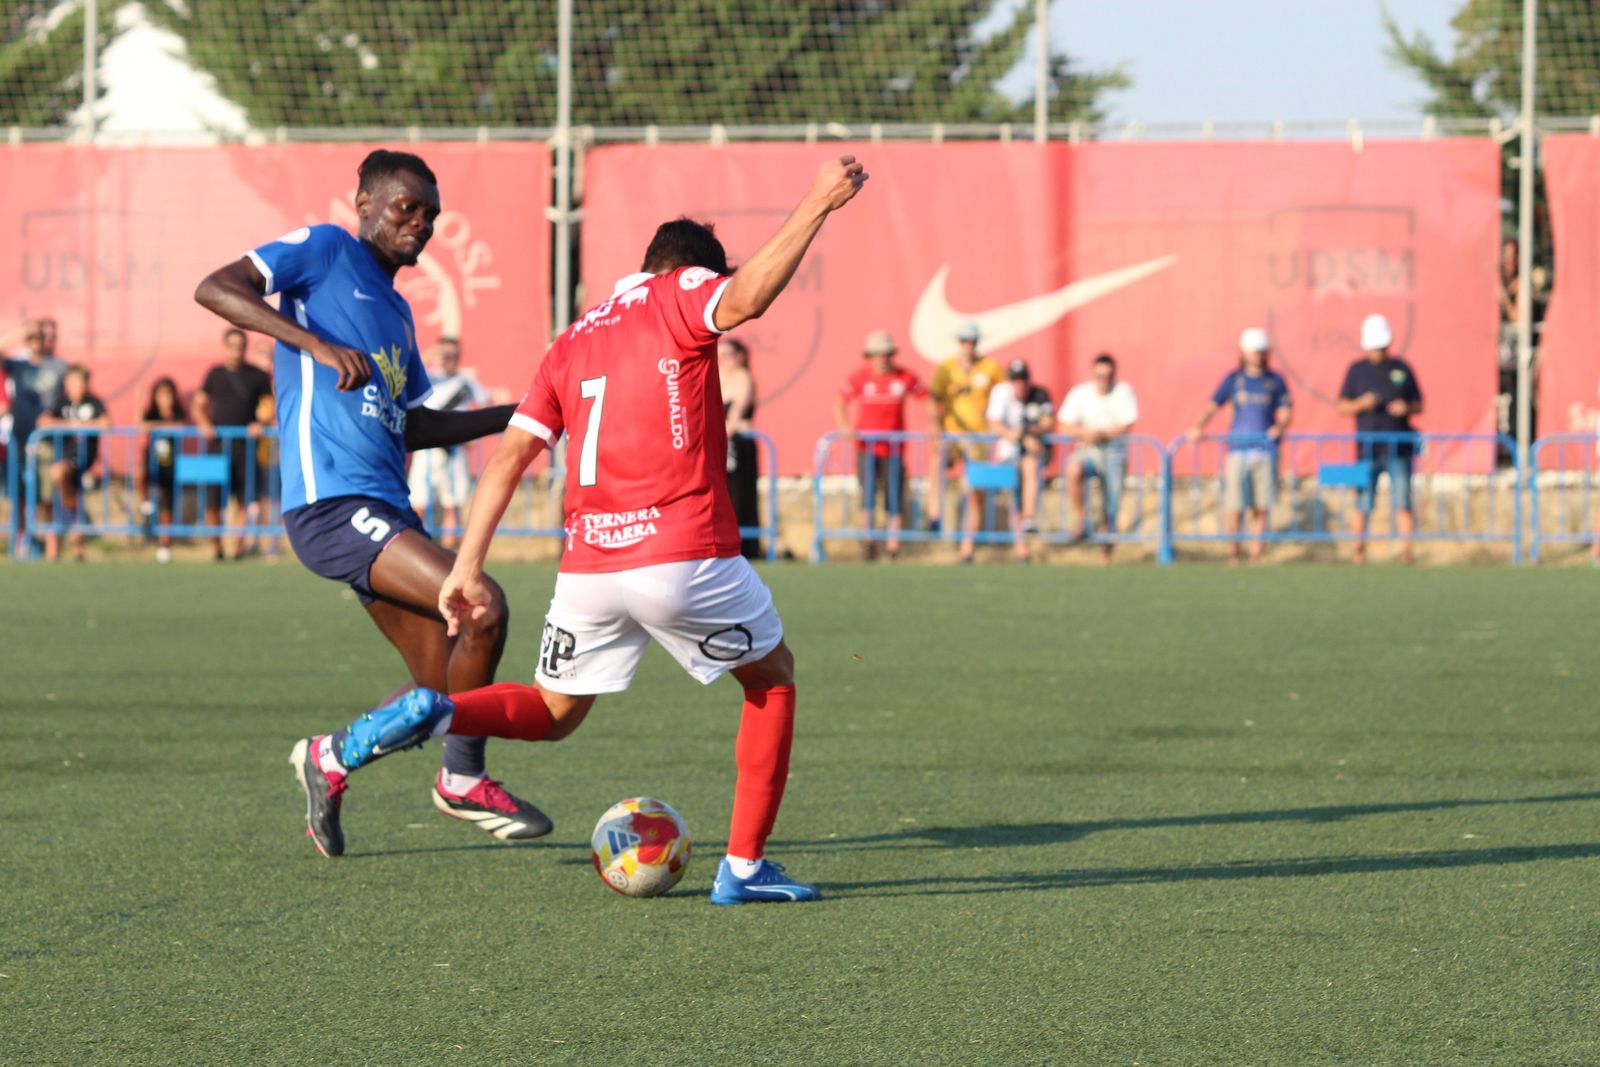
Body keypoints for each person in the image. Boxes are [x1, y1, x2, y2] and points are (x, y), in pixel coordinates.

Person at [291, 156, 869, 904]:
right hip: (681, 554)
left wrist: (467, 566)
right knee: (772, 681)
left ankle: (436, 708)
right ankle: (746, 868)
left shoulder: (573, 338)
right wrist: (819, 200)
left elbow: (508, 458)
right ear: (689, 271)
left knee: (554, 711)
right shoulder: (683, 288)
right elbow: (749, 294)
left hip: (590, 569)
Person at [194, 148, 546, 855]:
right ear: (363, 204)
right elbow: (215, 288)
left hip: (386, 509)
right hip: (331, 503)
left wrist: (520, 414)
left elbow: (415, 422)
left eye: (430, 215)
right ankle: (463, 780)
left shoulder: (395, 311)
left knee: (441, 686)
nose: (419, 223)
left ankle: (331, 758)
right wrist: (314, 345)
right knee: (480, 601)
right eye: (405, 208)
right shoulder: (324, 250)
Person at [1186, 327, 1293, 565]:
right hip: (1237, 451)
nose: (1256, 356)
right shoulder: (1234, 379)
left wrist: (1280, 427)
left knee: (1260, 506)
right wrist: (1198, 427)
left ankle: (1255, 554)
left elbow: (1286, 411)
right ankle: (1233, 553)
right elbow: (1212, 406)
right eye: (1252, 352)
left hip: (1265, 451)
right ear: (1243, 353)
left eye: (1260, 352)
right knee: (1234, 505)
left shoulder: (1275, 381)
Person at [834, 329, 930, 560]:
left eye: (887, 354)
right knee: (867, 494)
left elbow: (926, 397)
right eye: (878, 355)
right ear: (869, 357)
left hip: (894, 449)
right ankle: (869, 540)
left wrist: (934, 424)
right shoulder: (860, 377)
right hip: (866, 448)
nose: (883, 359)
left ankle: (893, 543)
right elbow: (840, 400)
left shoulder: (904, 377)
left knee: (894, 496)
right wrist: (844, 425)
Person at [1337, 313, 1423, 565]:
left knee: (1403, 499)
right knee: (1363, 500)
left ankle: (1407, 552)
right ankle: (1359, 551)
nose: (1378, 351)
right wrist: (1362, 403)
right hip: (1367, 448)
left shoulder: (1402, 368)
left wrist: (1405, 407)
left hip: (1399, 448)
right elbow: (1342, 406)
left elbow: (1419, 404)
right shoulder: (1357, 370)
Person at [194, 327, 274, 560]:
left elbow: (271, 407)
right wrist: (204, 424)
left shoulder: (257, 376)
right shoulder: (215, 374)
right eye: (232, 346)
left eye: (240, 346)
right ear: (225, 347)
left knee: (245, 500)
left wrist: (260, 423)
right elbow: (198, 404)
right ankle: (217, 547)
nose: (236, 350)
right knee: (212, 500)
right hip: (216, 447)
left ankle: (238, 547)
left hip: (245, 448)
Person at [928, 321, 1004, 563]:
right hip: (952, 435)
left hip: (979, 437)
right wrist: (935, 428)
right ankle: (933, 514)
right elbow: (933, 398)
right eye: (964, 341)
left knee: (974, 489)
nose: (968, 346)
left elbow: (1003, 396)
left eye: (972, 341)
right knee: (935, 460)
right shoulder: (946, 368)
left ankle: (968, 544)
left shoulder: (990, 368)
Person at [407, 337, 492, 549]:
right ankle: (420, 544)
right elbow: (411, 367)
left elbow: (487, 405)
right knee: (419, 500)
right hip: (426, 449)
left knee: (452, 503)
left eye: (453, 355)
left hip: (453, 449)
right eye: (445, 355)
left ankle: (449, 547)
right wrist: (432, 354)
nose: (449, 360)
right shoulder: (430, 378)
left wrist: (472, 433)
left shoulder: (466, 382)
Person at [1060, 354, 1138, 565]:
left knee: (1110, 506)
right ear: (1093, 374)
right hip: (1089, 451)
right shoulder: (1081, 393)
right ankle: (1081, 519)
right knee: (1074, 469)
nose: (1103, 379)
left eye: (1107, 375)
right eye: (1099, 375)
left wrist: (1102, 434)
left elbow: (1127, 424)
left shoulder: (1123, 392)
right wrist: (1085, 434)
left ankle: (1105, 555)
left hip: (1114, 454)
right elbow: (1064, 423)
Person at [2, 321, 69, 555]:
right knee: (18, 494)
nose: (38, 341)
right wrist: (22, 332)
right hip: (19, 437)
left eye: (42, 337)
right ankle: (21, 544)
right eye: (34, 337)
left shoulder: (60, 366)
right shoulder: (18, 365)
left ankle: (52, 547)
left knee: (47, 495)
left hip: (46, 440)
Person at [35, 365, 109, 563]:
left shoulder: (93, 402)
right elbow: (42, 421)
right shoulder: (62, 402)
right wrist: (70, 425)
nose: (78, 386)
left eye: (81, 382)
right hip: (65, 455)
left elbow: (106, 423)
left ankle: (70, 514)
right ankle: (77, 549)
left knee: (59, 473)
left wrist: (78, 425)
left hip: (84, 457)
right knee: (70, 495)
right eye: (74, 382)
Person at [985, 359, 1054, 563]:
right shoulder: (1001, 394)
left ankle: (1028, 524)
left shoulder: (1039, 394)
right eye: (1015, 380)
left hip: (1032, 454)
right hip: (1008, 455)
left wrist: (1029, 433)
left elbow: (1047, 422)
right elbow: (995, 424)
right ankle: (1021, 547)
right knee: (1014, 500)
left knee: (1030, 468)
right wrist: (1023, 436)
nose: (1020, 384)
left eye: (1023, 379)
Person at [136, 376, 189, 564]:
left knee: (167, 505)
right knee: (139, 474)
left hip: (171, 465)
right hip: (152, 462)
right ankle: (145, 504)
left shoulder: (177, 413)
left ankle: (164, 545)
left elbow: (182, 426)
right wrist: (140, 400)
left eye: (168, 394)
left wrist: (161, 426)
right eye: (161, 395)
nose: (165, 398)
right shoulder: (151, 413)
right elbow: (141, 425)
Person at [718, 336, 762, 560]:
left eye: (727, 355)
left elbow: (735, 416)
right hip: (719, 441)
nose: (722, 360)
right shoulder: (717, 377)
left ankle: (744, 548)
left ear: (739, 357)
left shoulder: (743, 378)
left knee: (738, 497)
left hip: (736, 445)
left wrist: (721, 432)